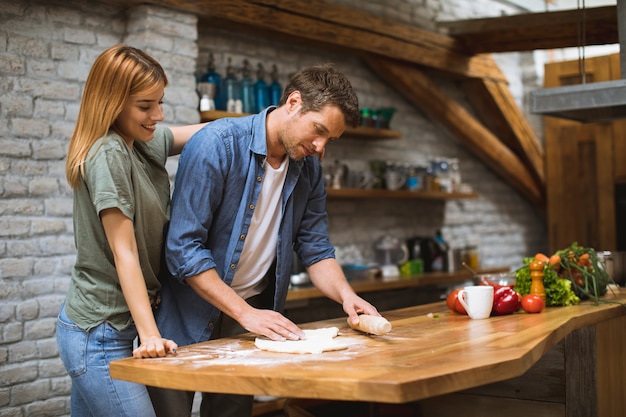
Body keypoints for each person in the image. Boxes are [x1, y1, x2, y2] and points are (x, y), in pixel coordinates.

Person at [150, 63, 381, 417]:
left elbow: (316, 248)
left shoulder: (309, 168)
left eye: (330, 140)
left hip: (250, 316)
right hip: (186, 314)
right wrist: (247, 314)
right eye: (318, 131)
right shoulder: (217, 144)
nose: (320, 148)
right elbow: (183, 250)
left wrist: (347, 297)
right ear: (293, 102)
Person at [56, 44, 207, 417]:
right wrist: (151, 334)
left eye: (160, 102)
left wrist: (265, 124)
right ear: (112, 102)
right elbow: (125, 255)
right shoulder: (108, 154)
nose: (158, 114)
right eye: (145, 106)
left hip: (110, 328)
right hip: (100, 334)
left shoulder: (140, 143)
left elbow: (206, 132)